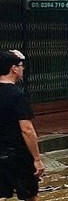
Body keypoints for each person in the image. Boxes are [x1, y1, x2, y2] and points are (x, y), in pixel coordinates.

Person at [0, 50, 44, 201]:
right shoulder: (17, 95)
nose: (23, 68)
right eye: (21, 65)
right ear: (14, 68)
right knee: (30, 196)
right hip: (18, 155)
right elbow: (27, 130)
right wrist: (37, 159)